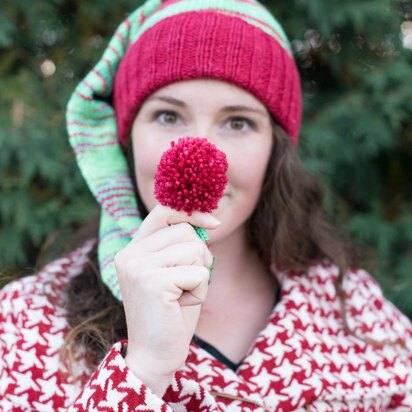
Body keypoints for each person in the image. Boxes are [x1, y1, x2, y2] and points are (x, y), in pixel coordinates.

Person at [1, 0, 411, 410]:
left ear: (276, 148)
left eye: (238, 122)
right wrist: (142, 371)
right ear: (127, 141)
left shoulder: (358, 317)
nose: (201, 153)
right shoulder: (24, 326)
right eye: (167, 116)